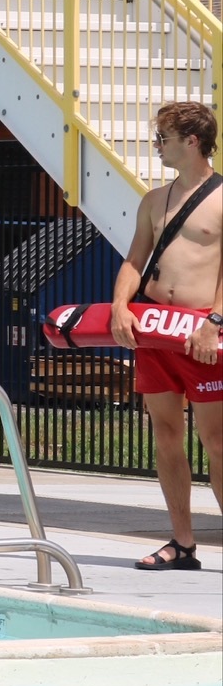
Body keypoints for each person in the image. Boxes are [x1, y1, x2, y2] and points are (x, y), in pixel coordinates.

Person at [109, 101, 223, 571]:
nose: (157, 145)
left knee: (216, 440)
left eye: (163, 138)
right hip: (155, 330)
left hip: (202, 333)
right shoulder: (153, 200)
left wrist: (214, 322)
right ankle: (182, 544)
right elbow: (135, 259)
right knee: (166, 433)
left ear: (191, 141)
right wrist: (120, 306)